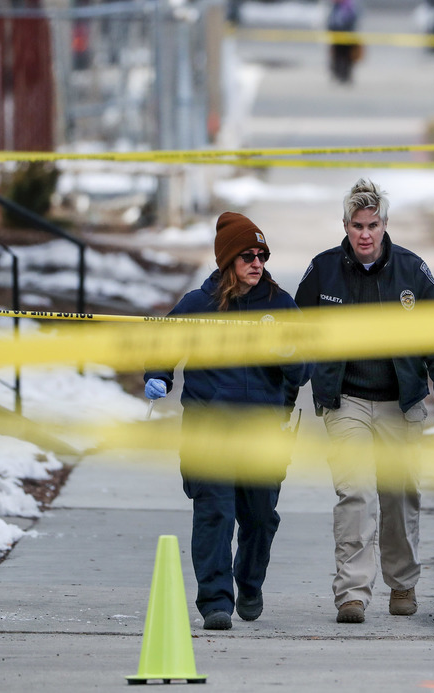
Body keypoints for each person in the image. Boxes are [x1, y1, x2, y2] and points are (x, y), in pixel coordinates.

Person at [295, 178, 434, 624]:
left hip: (401, 402)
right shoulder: (323, 271)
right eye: (357, 225)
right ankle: (351, 592)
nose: (365, 234)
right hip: (345, 399)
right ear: (346, 227)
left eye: (373, 224)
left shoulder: (412, 272)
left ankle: (403, 583)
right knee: (355, 494)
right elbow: (294, 334)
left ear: (385, 225)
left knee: (398, 495)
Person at [144, 211, 309, 631]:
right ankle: (216, 600)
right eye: (248, 255)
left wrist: (288, 351)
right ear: (227, 261)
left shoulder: (280, 305)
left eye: (262, 255)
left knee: (259, 517)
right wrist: (157, 378)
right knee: (214, 513)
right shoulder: (198, 305)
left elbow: (304, 369)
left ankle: (249, 583)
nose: (257, 263)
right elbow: (164, 344)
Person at [327, 0, 360, 84]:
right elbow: (331, 20)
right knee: (337, 55)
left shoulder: (348, 6)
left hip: (346, 34)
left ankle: (345, 75)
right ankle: (338, 74)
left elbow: (351, 19)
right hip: (337, 34)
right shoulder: (336, 6)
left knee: (346, 56)